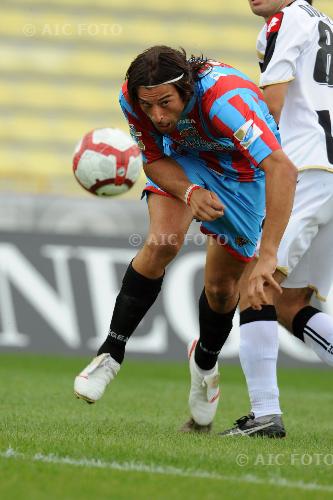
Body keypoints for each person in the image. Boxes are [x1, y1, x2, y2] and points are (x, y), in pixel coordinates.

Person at [73, 45, 297, 432]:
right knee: (162, 241)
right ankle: (111, 353)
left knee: (222, 289)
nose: (157, 115)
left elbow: (282, 168)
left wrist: (269, 254)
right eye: (148, 106)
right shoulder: (132, 96)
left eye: (165, 103)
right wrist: (190, 192)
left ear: (187, 89)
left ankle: (205, 365)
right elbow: (154, 158)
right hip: (184, 162)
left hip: (244, 177)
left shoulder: (226, 101)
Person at [220, 0, 333, 438]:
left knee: (256, 284)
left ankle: (265, 415)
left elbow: (272, 104)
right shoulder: (325, 24)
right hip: (329, 175)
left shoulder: (284, 20)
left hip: (304, 173)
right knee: (289, 302)